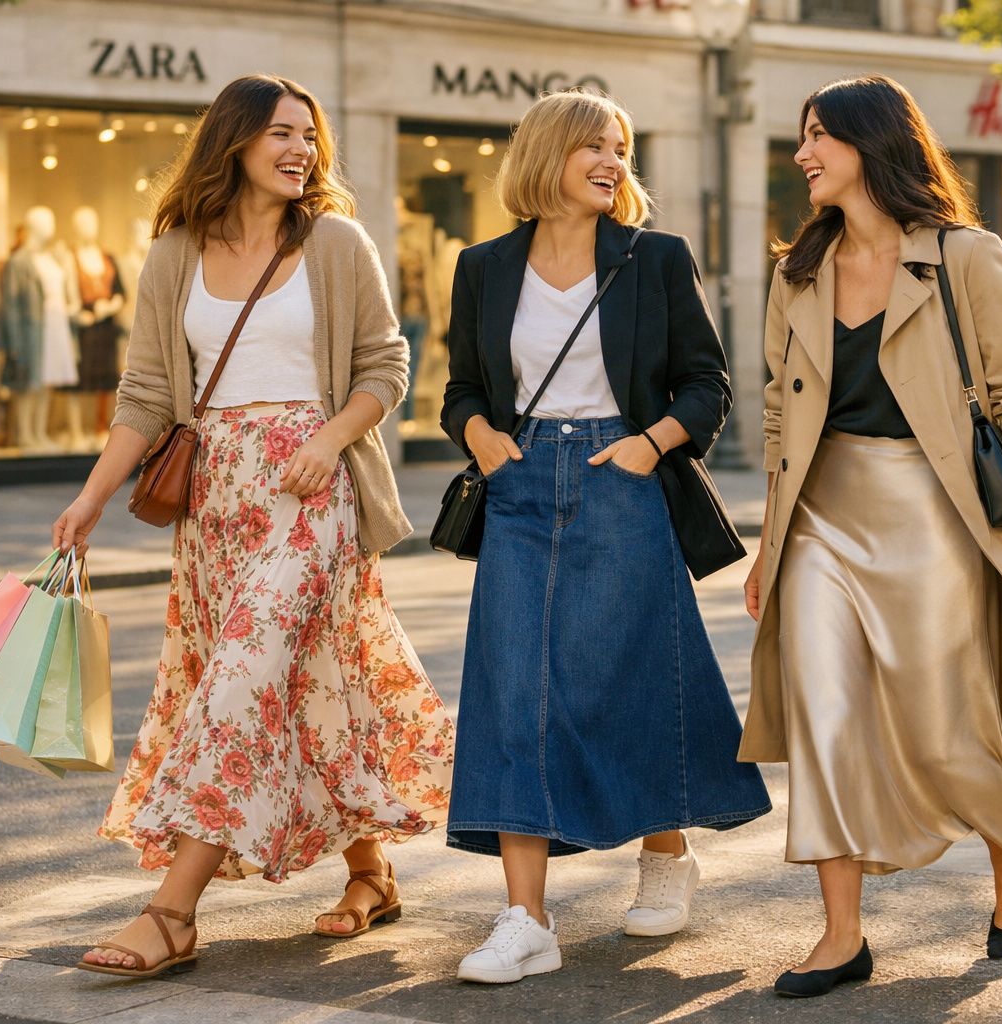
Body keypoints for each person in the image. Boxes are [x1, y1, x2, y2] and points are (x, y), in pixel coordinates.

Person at [739, 75, 1002, 998]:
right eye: (802, 137)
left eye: (819, 136)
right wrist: (770, 541)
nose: (803, 154)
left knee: (945, 719)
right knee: (825, 717)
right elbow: (779, 418)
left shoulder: (965, 256)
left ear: (872, 142)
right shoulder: (798, 274)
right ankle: (841, 934)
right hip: (818, 516)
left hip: (932, 508)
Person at [52, 73, 454, 979]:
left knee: (242, 679)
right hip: (216, 505)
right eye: (281, 133)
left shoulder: (336, 243)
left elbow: (386, 366)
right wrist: (91, 497)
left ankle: (171, 914)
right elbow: (146, 393)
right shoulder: (175, 253)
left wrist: (329, 440)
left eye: (309, 136)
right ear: (231, 141)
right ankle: (371, 872)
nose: (301, 150)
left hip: (314, 493)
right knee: (300, 683)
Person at [440, 89, 771, 985]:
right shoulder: (483, 266)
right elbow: (461, 388)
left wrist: (648, 445)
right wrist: (481, 437)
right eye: (593, 145)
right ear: (545, 154)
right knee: (513, 693)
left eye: (619, 148)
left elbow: (707, 385)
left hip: (621, 476)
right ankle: (526, 918)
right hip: (519, 483)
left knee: (635, 675)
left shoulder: (654, 258)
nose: (612, 161)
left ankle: (665, 856)